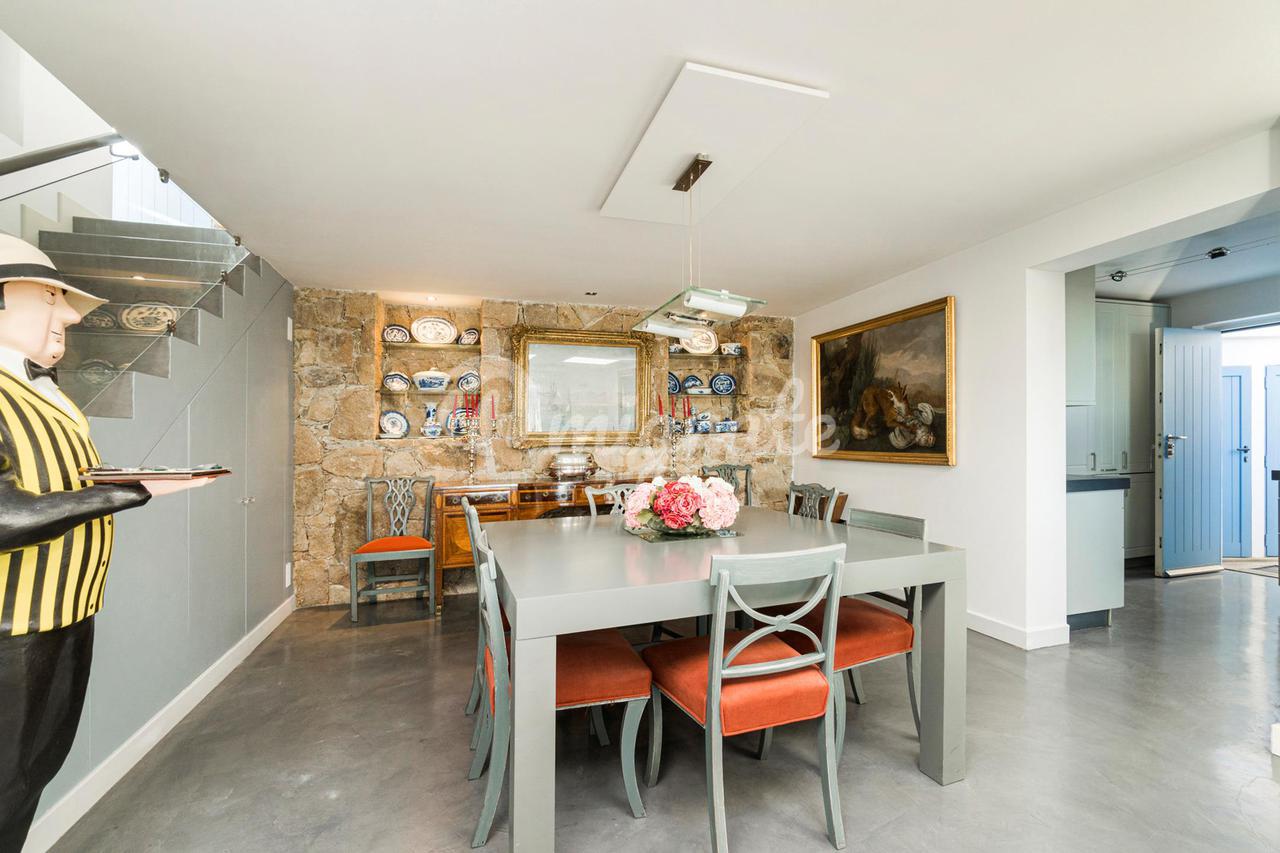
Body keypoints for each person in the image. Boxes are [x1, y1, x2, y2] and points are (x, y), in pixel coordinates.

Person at [0, 233, 207, 851]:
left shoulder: (46, 394)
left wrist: (125, 485)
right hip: (13, 625)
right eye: (50, 298)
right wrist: (133, 490)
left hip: (72, 608)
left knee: (32, 772)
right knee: (8, 780)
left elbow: (61, 481)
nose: (68, 315)